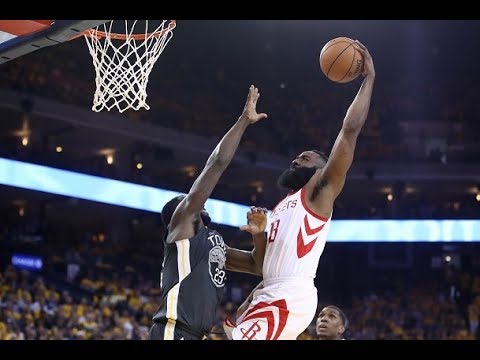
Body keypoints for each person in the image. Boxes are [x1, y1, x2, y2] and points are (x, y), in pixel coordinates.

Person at [227, 40, 375, 340]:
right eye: (297, 156)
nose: (297, 159)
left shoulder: (320, 191)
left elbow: (349, 132)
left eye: (306, 157)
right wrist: (251, 239)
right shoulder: (283, 206)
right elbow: (260, 265)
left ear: (323, 167)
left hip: (289, 296)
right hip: (266, 292)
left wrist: (369, 80)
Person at [149, 85, 269, 340]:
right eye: (186, 200)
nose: (195, 201)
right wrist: (243, 121)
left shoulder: (211, 244)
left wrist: (259, 235)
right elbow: (216, 163)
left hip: (196, 334)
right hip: (174, 329)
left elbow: (256, 266)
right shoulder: (182, 227)